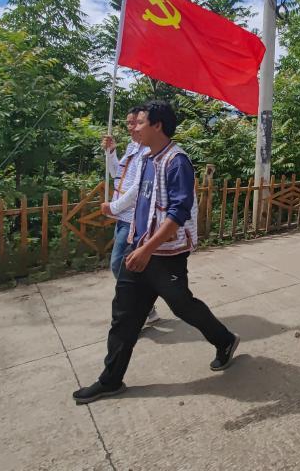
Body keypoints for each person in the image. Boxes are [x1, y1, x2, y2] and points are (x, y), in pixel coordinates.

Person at [74, 101, 239, 404]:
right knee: (124, 317)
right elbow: (136, 195)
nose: (134, 128)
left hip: (165, 255)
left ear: (157, 125)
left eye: (139, 123)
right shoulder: (146, 159)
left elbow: (178, 212)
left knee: (183, 306)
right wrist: (117, 213)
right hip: (138, 248)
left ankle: (225, 340)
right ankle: (110, 380)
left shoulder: (177, 162)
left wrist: (147, 250)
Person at [101, 106, 158, 325]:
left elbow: (138, 188)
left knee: (119, 264)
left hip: (132, 218)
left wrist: (114, 207)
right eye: (129, 123)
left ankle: (138, 309)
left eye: (136, 122)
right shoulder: (132, 147)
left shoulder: (148, 151)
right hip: (122, 217)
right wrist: (111, 152)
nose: (131, 127)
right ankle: (146, 307)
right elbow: (117, 174)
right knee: (126, 265)